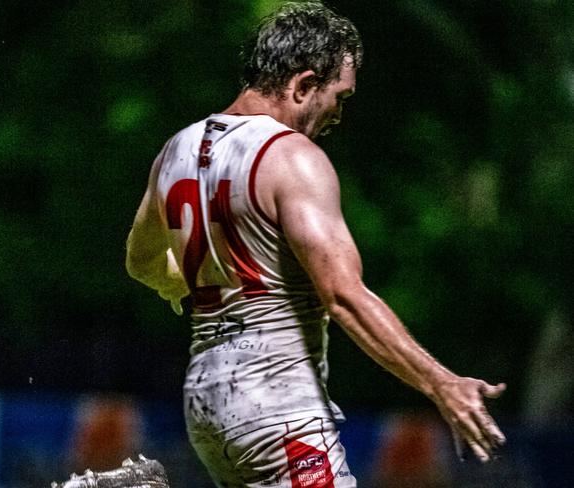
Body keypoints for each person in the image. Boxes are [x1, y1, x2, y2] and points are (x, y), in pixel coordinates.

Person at [126, 2, 506, 487]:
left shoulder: (174, 150)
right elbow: (343, 295)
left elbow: (141, 260)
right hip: (277, 405)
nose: (339, 116)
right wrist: (441, 383)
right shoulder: (291, 157)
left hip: (206, 402)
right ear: (303, 85)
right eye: (339, 97)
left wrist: (182, 283)